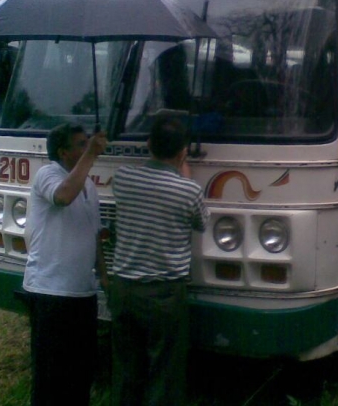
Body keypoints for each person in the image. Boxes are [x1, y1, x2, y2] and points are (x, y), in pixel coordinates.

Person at [110, 115, 210, 406]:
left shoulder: (124, 178)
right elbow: (202, 223)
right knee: (164, 372)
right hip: (165, 294)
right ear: (183, 153)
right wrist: (185, 174)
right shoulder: (188, 190)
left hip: (124, 289)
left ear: (149, 144)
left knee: (127, 368)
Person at [22, 123, 108, 406]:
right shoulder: (48, 174)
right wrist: (92, 155)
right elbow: (62, 196)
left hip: (83, 292)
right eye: (81, 144)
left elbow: (94, 234)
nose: (87, 147)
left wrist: (104, 277)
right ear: (64, 152)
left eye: (88, 143)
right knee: (51, 374)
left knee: (81, 371)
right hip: (51, 291)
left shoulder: (89, 186)